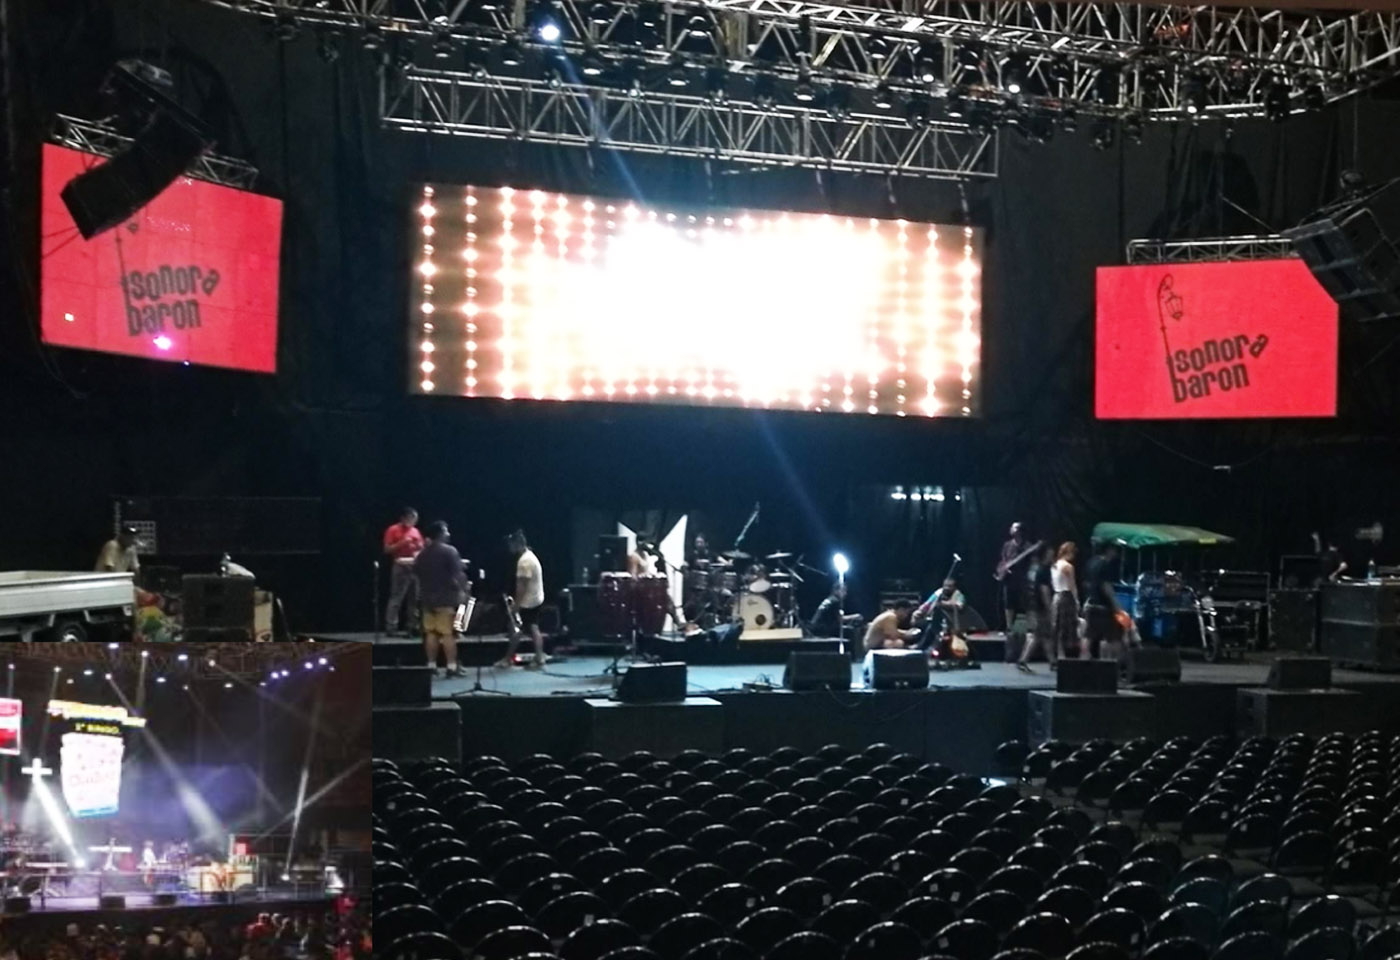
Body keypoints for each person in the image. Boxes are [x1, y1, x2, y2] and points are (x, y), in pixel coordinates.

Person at [413, 521, 467, 678]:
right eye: (446, 531)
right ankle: (451, 666)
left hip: (427, 601)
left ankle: (431, 665)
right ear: (440, 534)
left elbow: (417, 573)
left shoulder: (422, 554)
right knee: (448, 634)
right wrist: (463, 591)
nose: (448, 534)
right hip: (446, 600)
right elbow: (458, 575)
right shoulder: (450, 551)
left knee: (431, 633)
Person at [498, 530, 546, 669]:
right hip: (536, 598)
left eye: (510, 544)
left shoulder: (524, 562)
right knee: (530, 627)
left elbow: (521, 588)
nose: (509, 547)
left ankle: (511, 659)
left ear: (517, 544)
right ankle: (536, 657)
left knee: (522, 630)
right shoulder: (530, 556)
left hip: (529, 602)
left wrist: (516, 607)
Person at [383, 508, 425, 635]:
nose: (413, 521)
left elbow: (422, 549)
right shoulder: (393, 530)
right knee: (397, 597)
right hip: (400, 566)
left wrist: (419, 548)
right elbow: (387, 549)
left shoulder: (415, 531)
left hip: (414, 566)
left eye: (415, 519)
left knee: (414, 598)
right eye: (410, 518)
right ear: (403, 518)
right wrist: (401, 543)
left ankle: (412, 625)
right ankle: (391, 626)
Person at [1018, 543, 1058, 671]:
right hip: (1042, 608)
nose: (1053, 553)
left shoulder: (1038, 569)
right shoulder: (1044, 570)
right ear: (1046, 553)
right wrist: (1049, 607)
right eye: (1051, 552)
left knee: (1044, 636)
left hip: (1036, 606)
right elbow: (1044, 590)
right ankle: (1023, 660)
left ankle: (1052, 662)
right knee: (1038, 635)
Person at [1082, 541, 1124, 660]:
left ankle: (1083, 659)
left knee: (1089, 635)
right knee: (1111, 637)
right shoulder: (1106, 564)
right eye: (1115, 550)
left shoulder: (1091, 562)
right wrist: (1117, 606)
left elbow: (1085, 583)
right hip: (1104, 607)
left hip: (1091, 603)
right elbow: (1106, 586)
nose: (1116, 553)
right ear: (1109, 550)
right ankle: (1112, 661)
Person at [915, 578, 967, 652]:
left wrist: (944, 604)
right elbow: (928, 603)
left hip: (950, 622)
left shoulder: (958, 595)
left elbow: (960, 606)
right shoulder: (939, 592)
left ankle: (922, 647)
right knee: (922, 624)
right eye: (945, 586)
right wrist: (919, 611)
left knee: (932, 627)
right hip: (933, 618)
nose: (946, 588)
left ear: (954, 587)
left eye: (949, 586)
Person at [996, 522, 1029, 632]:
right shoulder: (1007, 545)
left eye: (1014, 528)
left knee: (1024, 603)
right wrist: (1003, 569)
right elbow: (1003, 560)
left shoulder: (1027, 546)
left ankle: (1027, 628)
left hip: (1022, 579)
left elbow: (1031, 562)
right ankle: (1009, 627)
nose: (1011, 529)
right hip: (1008, 579)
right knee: (1008, 603)